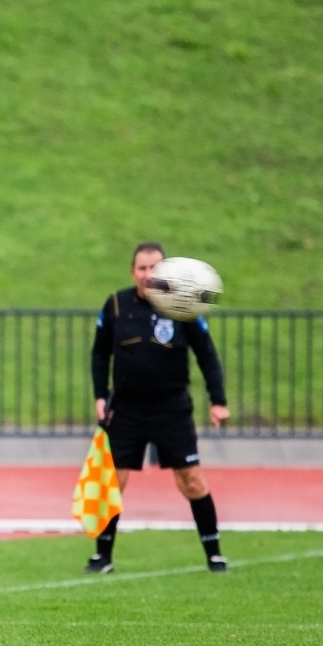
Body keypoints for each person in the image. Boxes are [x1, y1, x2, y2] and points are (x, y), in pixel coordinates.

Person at [88, 242, 230, 573]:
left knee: (191, 479)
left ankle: (214, 553)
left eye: (155, 268)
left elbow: (206, 354)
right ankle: (102, 556)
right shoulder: (117, 305)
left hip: (171, 409)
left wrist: (218, 400)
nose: (148, 274)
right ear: (132, 272)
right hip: (126, 408)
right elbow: (99, 353)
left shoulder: (181, 304)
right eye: (142, 268)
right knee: (113, 481)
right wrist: (99, 394)